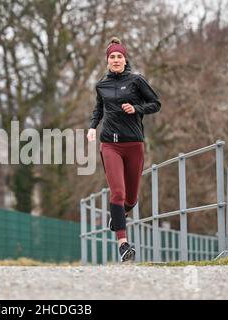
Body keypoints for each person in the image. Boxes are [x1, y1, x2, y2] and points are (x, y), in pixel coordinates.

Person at [87, 37, 161, 262]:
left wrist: (136, 108)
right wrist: (92, 128)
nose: (116, 60)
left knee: (131, 198)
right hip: (110, 144)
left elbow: (155, 104)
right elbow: (98, 109)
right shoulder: (101, 85)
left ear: (125, 58)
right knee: (117, 193)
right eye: (112, 57)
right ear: (107, 61)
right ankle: (123, 244)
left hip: (134, 144)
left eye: (119, 56)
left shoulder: (137, 81)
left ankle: (118, 216)